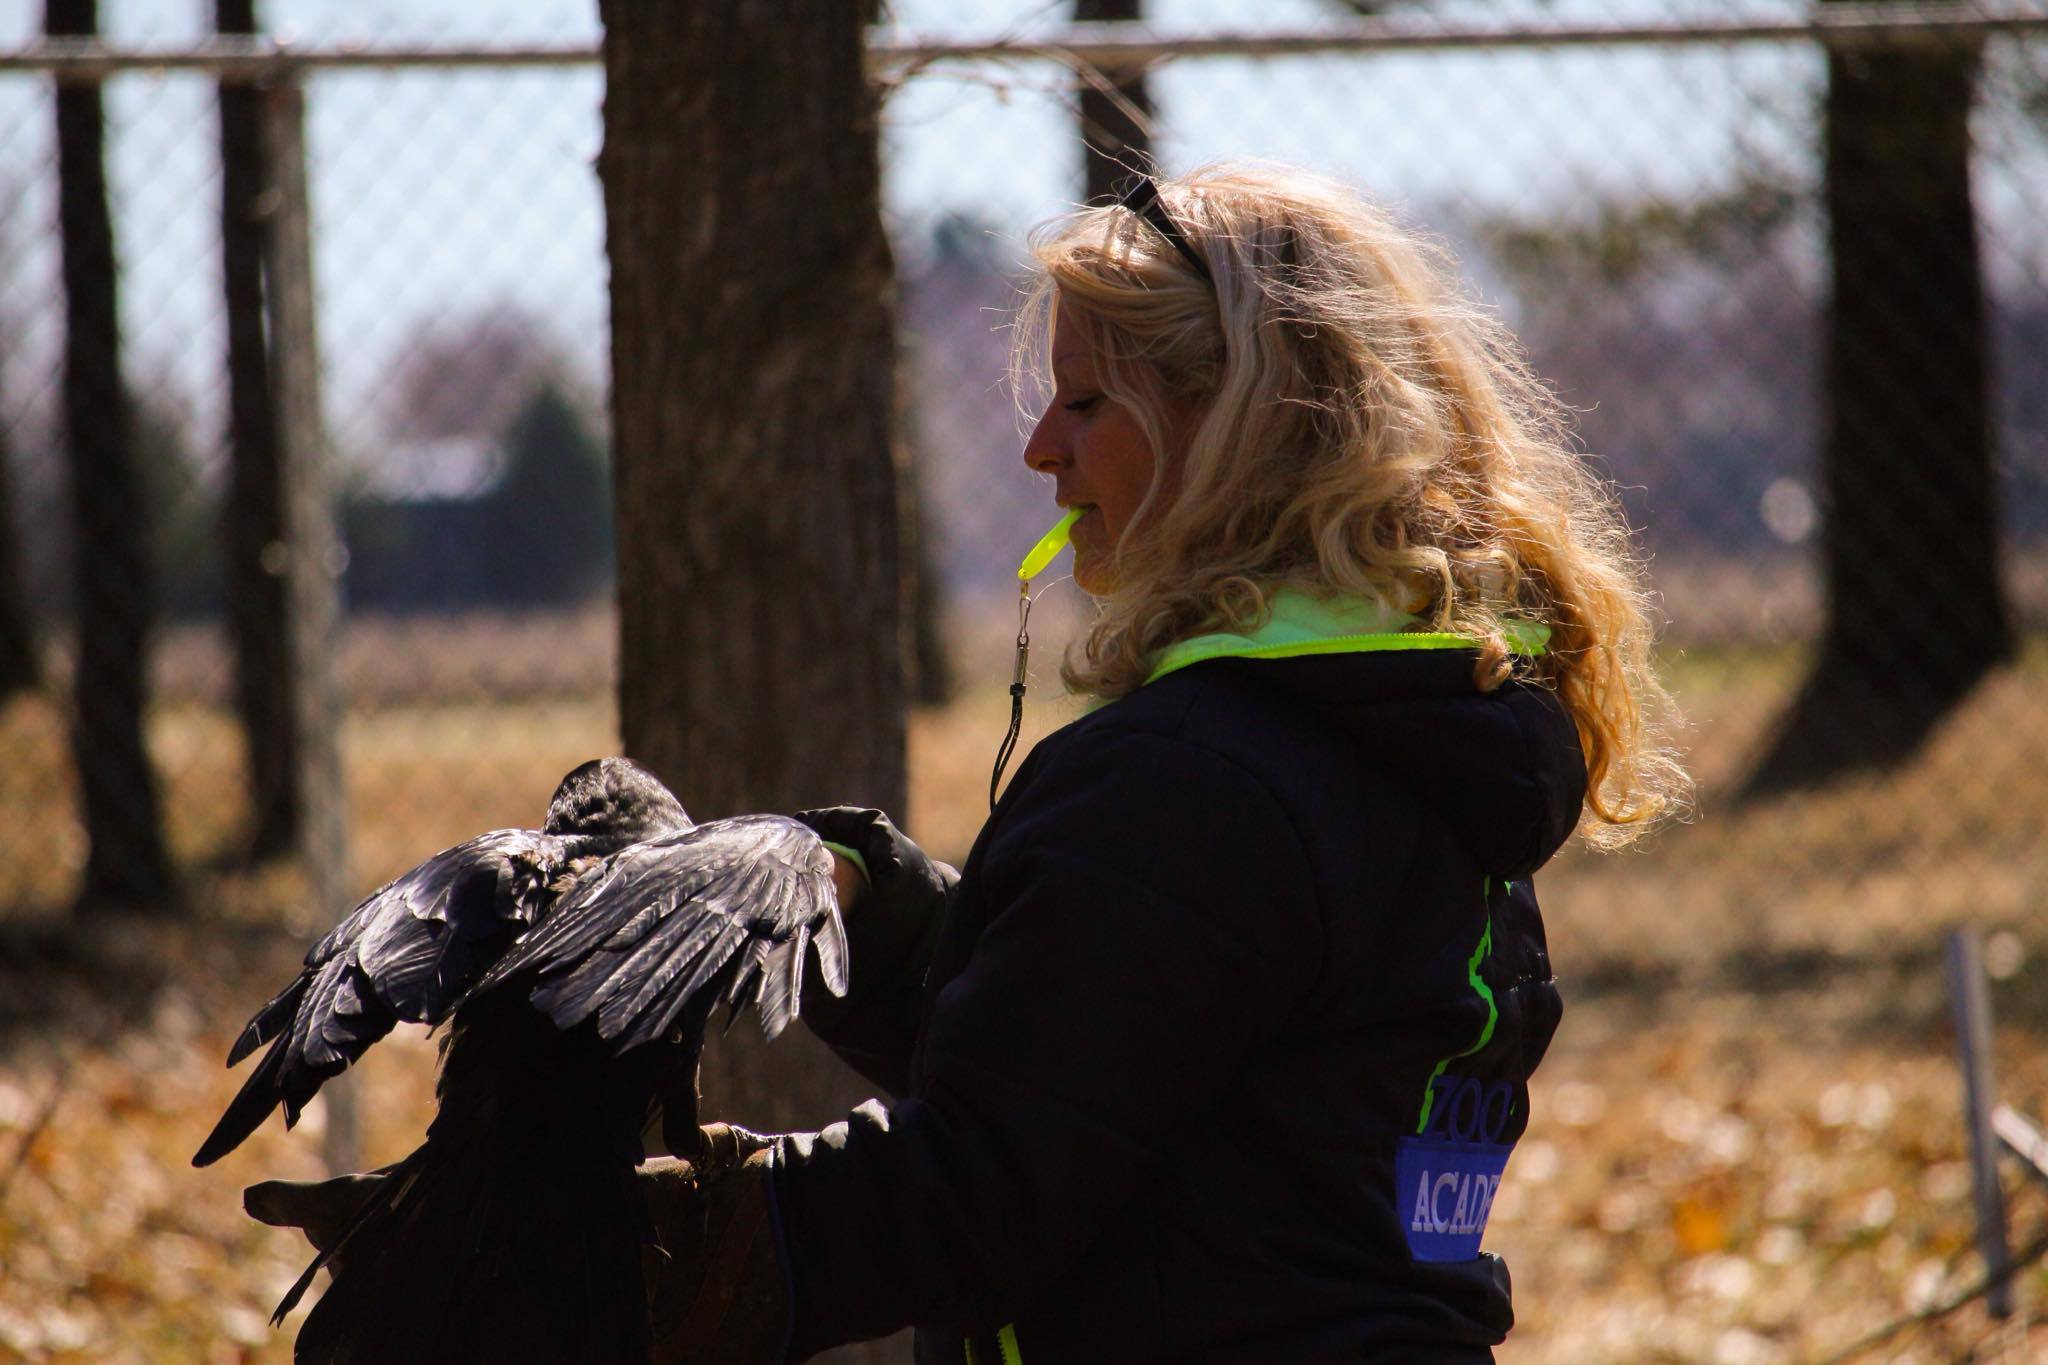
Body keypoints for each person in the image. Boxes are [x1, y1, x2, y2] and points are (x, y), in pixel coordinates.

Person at [251, 163, 1685, 1363]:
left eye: (1090, 403)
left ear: (1236, 431)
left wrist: (581, 1245)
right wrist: (860, 892)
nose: (1039, 448)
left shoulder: (1197, 781)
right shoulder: (1424, 737)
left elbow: (991, 1182)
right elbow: (1130, 1061)